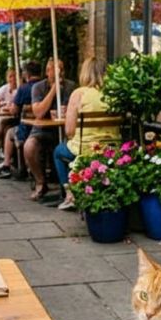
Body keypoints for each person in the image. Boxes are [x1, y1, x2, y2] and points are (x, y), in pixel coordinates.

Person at [54, 57, 120, 210]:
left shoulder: (79, 94)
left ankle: (70, 194)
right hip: (112, 150)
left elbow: (69, 132)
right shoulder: (115, 92)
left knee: (58, 152)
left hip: (84, 150)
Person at [25, 58, 76, 201]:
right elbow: (39, 113)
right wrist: (54, 90)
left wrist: (68, 111)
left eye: (62, 70)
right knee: (29, 147)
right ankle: (41, 182)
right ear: (48, 72)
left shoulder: (71, 87)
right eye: (57, 70)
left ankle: (66, 188)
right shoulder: (38, 87)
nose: (61, 74)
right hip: (42, 129)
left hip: (64, 130)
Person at [0, 61, 42, 179]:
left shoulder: (24, 88)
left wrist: (10, 107)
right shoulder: (45, 86)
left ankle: (7, 164)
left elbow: (14, 111)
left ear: (27, 74)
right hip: (44, 127)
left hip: (27, 128)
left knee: (10, 131)